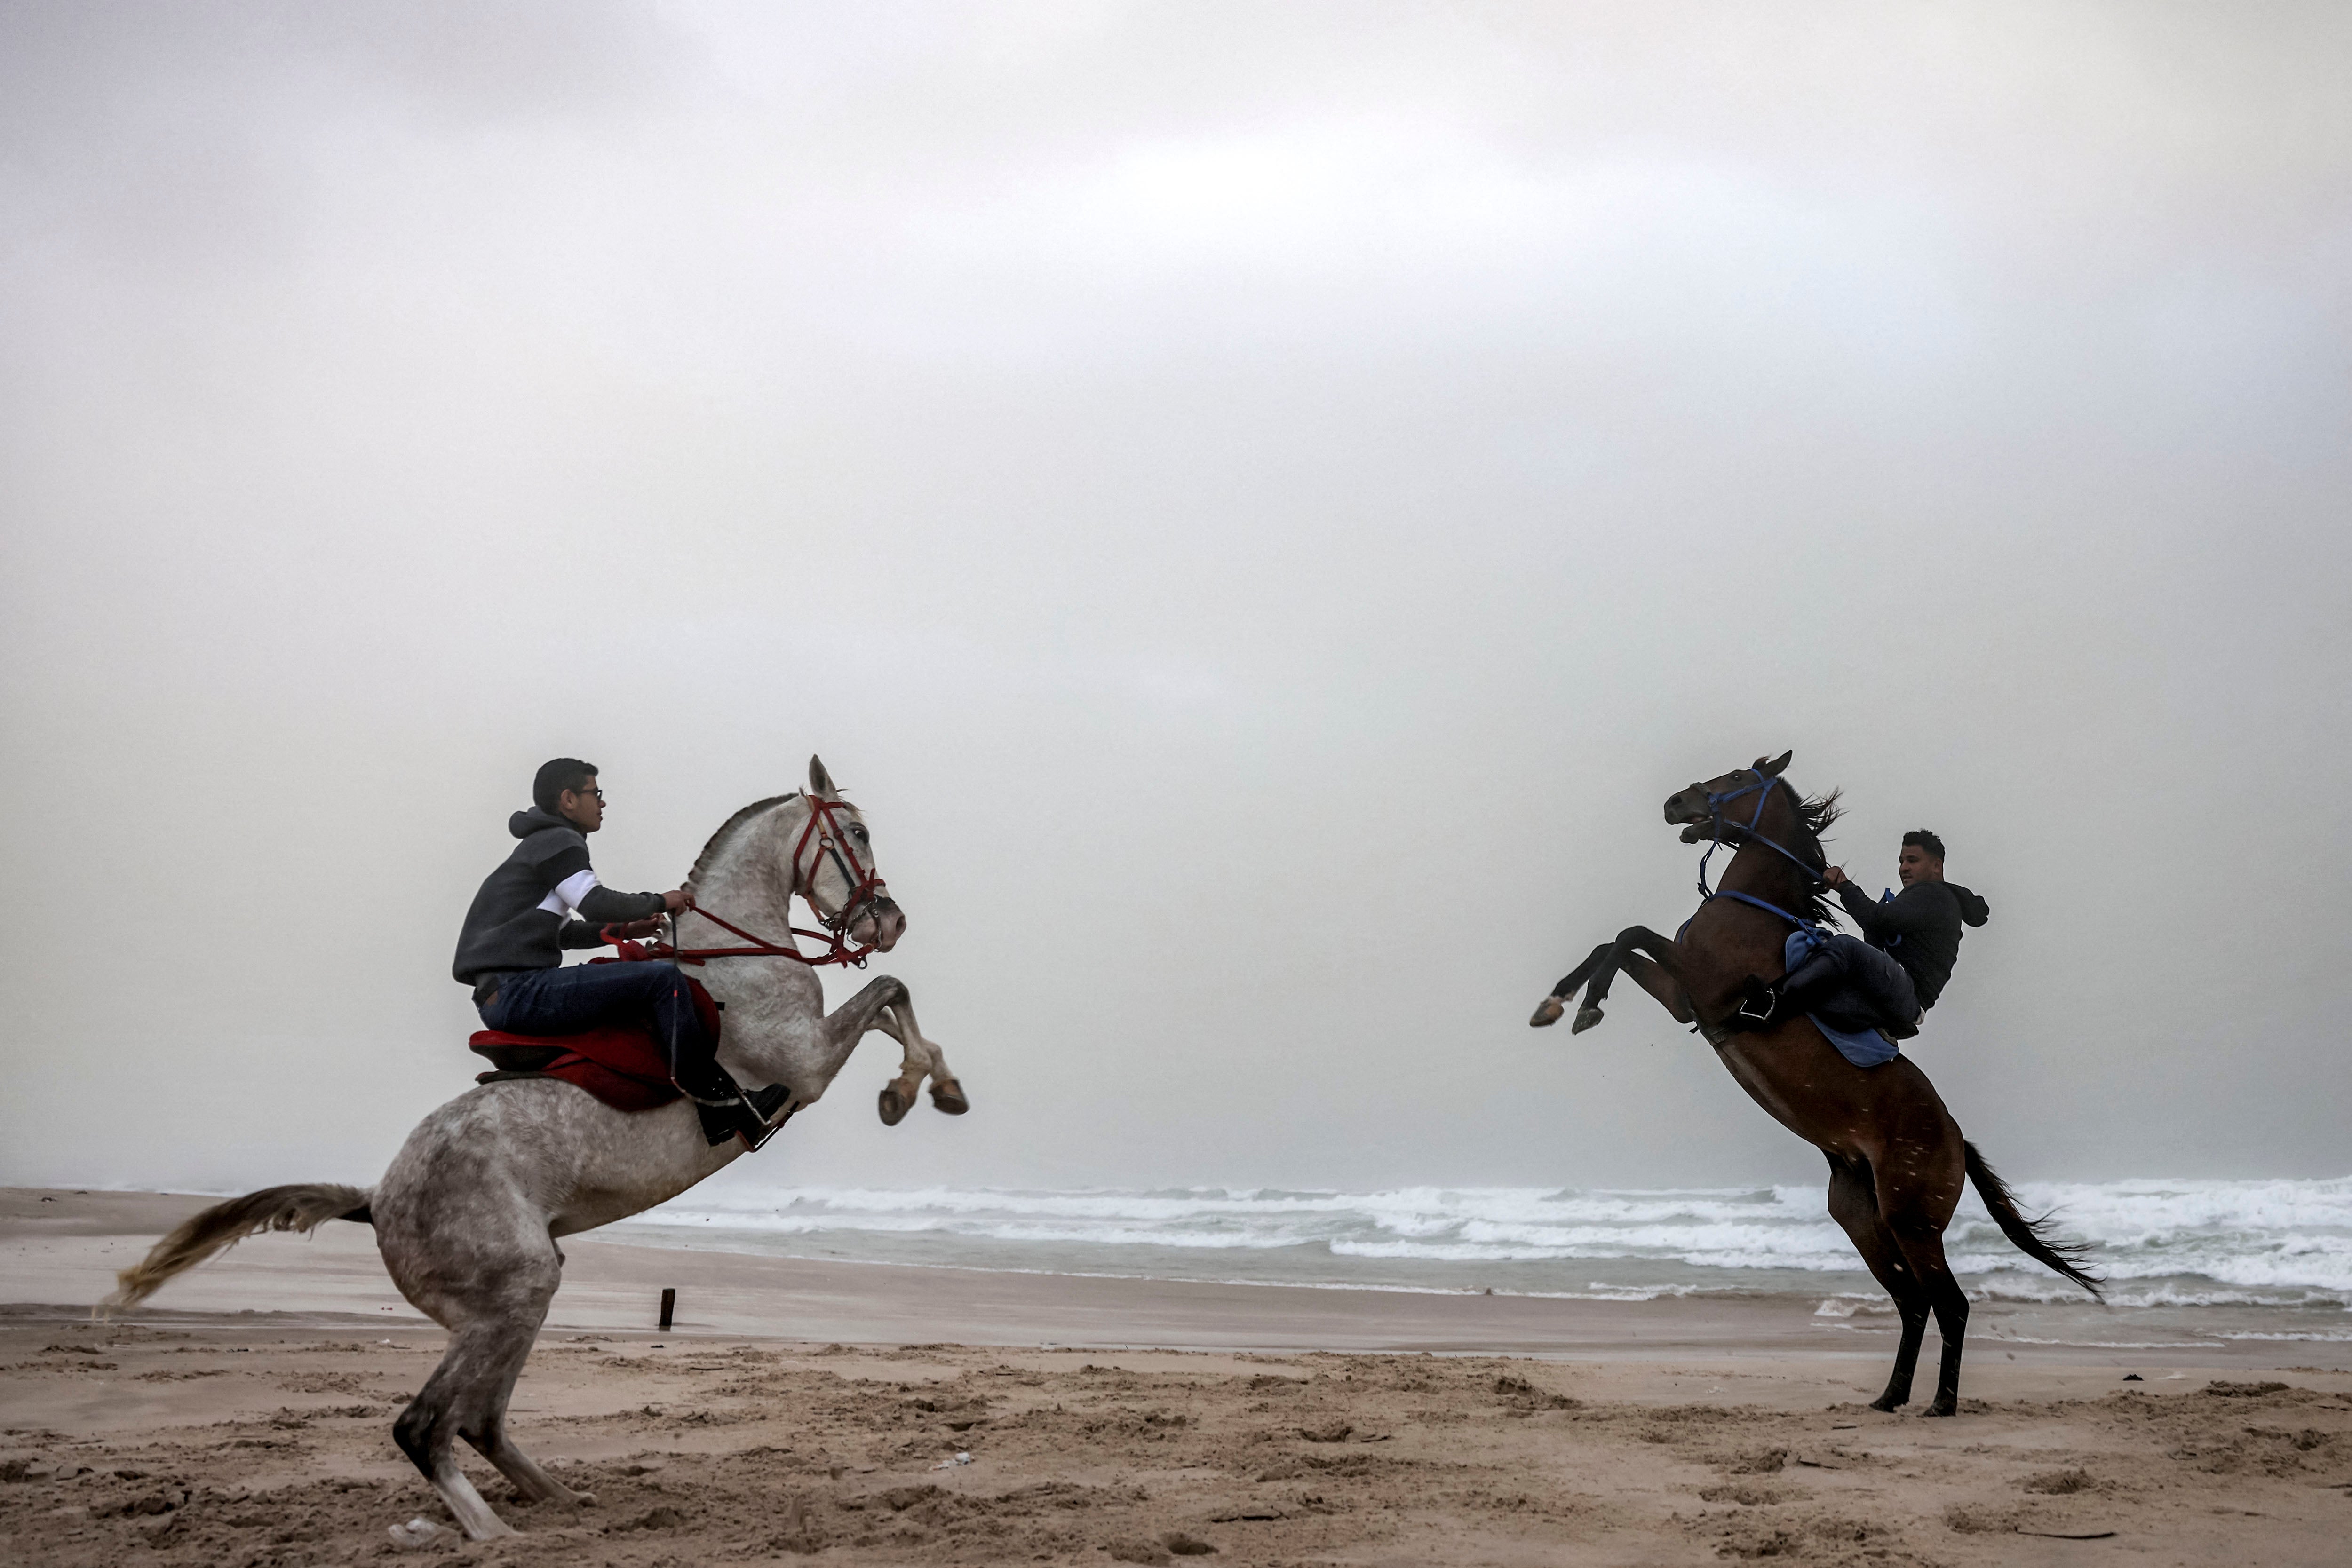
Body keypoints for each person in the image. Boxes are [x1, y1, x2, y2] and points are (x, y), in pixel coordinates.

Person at [453, 758, 774, 1144]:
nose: (602, 803)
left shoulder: (541, 845)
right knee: (664, 980)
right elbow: (593, 901)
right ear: (569, 799)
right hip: (519, 992)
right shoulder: (559, 841)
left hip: (506, 992)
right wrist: (659, 899)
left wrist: (626, 929)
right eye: (595, 793)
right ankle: (718, 1105)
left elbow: (562, 933)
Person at [1738, 829, 1991, 1039]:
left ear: (1937, 866)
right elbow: (1876, 935)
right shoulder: (1926, 899)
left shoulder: (1936, 895)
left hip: (1907, 994)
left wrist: (1845, 887)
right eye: (1902, 861)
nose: (1904, 868)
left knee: (1845, 947)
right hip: (1899, 992)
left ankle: (1772, 1003)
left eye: (1912, 860)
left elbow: (1876, 920)